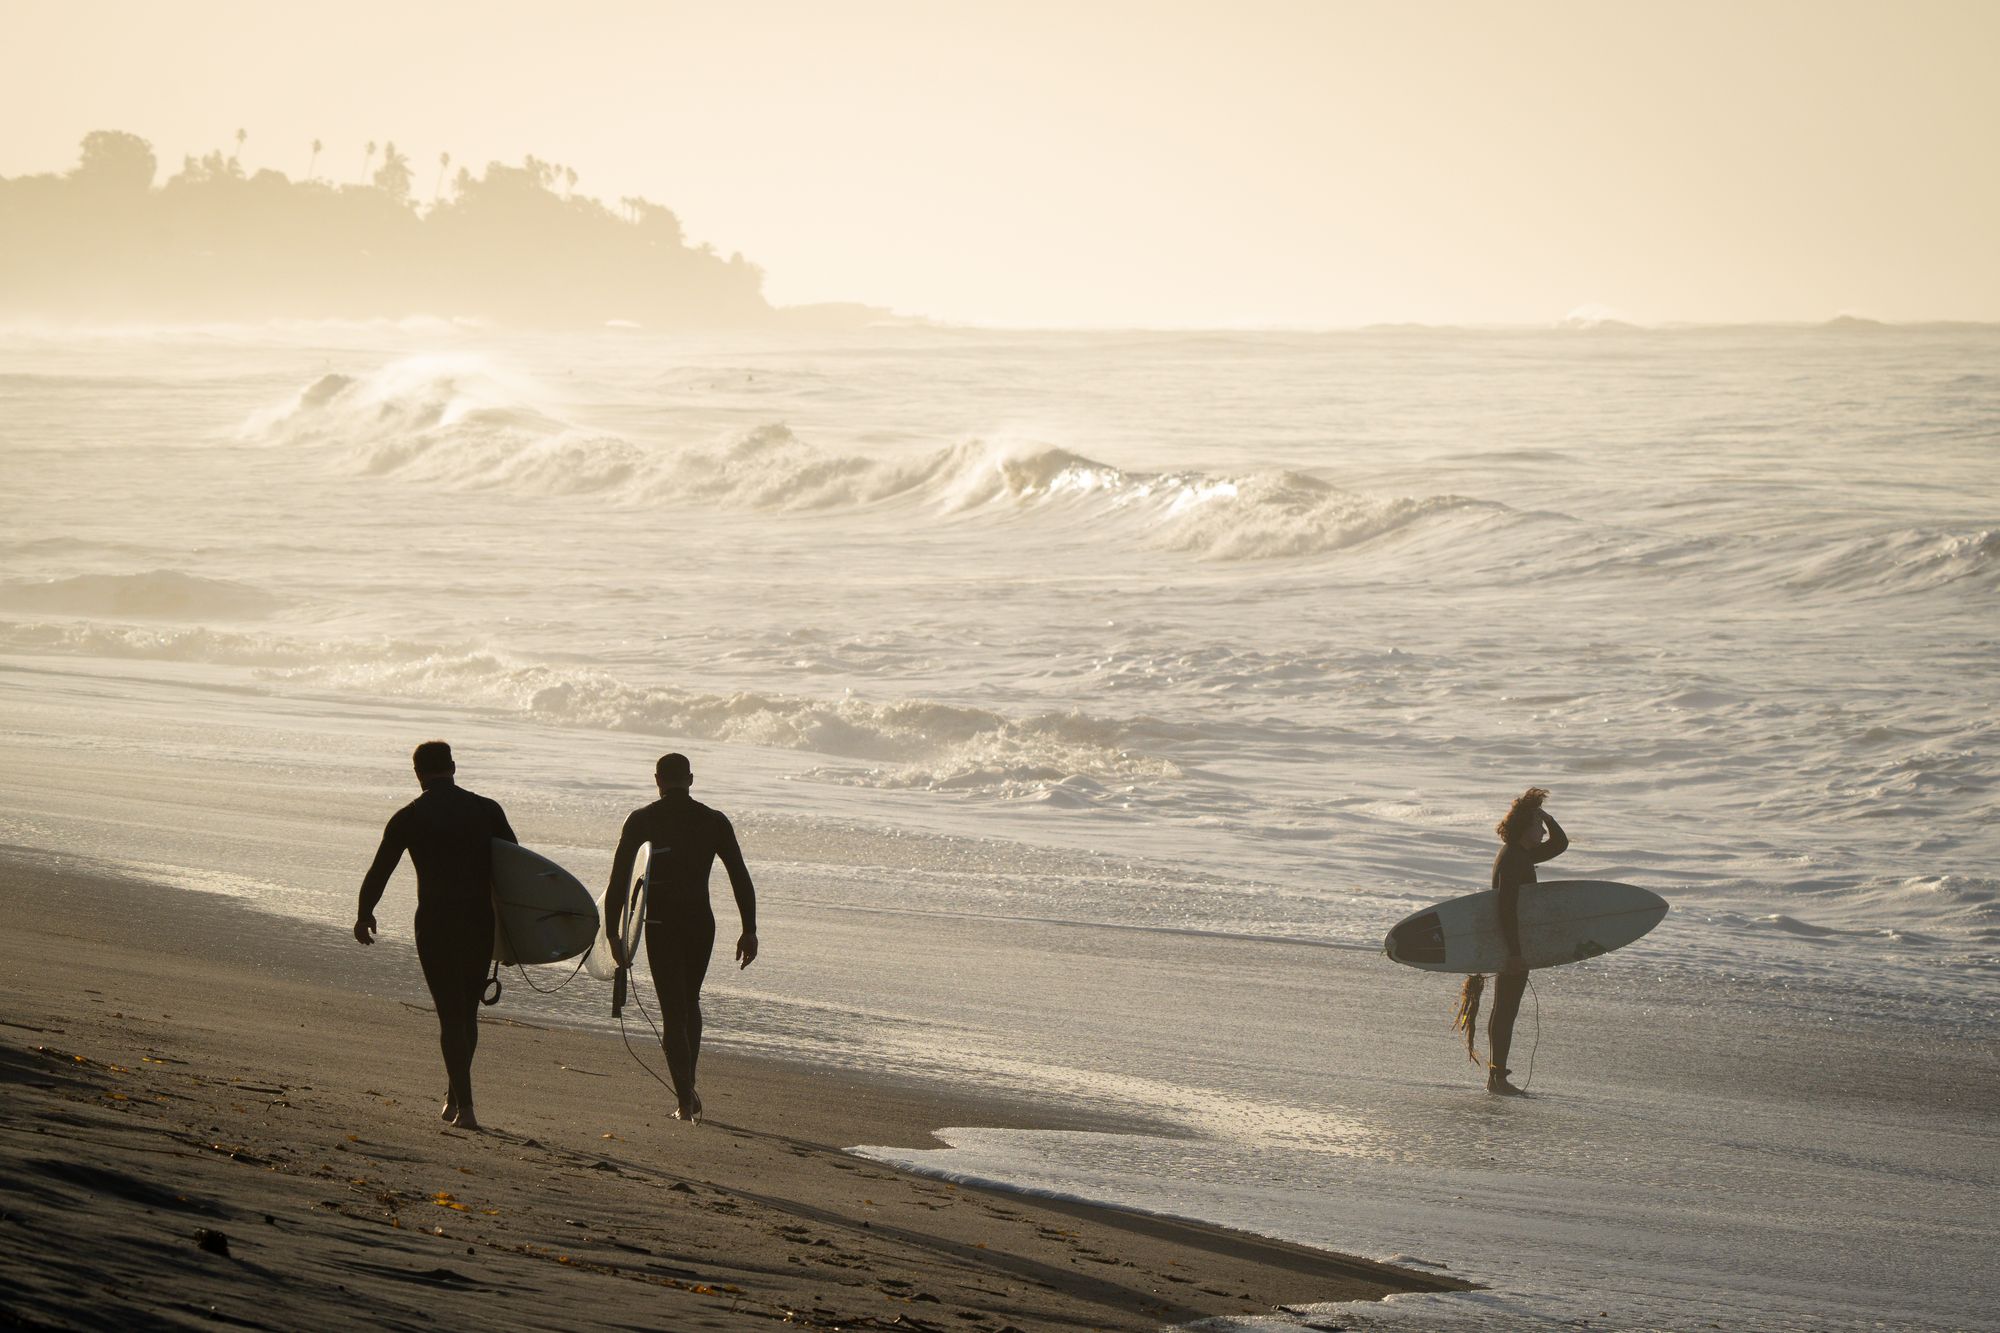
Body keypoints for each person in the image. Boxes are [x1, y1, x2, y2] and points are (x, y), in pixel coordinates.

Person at [353, 740, 516, 1129]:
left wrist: (364, 914)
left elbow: (380, 871)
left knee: (449, 1015)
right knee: (468, 1013)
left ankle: (466, 1105)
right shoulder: (487, 810)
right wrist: (517, 933)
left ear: (417, 773)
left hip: (435, 922)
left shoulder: (409, 816)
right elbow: (516, 871)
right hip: (478, 921)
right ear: (454, 767)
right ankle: (456, 1096)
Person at [603, 752, 758, 1124]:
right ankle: (687, 1089)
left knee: (673, 1010)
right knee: (689, 1003)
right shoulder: (713, 821)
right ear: (690, 779)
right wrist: (749, 929)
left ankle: (685, 1102)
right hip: (700, 923)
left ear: (657, 779)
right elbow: (740, 876)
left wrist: (612, 933)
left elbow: (619, 880)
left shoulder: (642, 820)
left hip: (660, 923)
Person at [1452, 786, 1568, 1095]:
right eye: (1538, 826)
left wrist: (1547, 816)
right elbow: (1506, 909)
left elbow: (1561, 844)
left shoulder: (1520, 855)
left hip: (1511, 942)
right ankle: (1497, 1079)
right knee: (1505, 1010)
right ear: (1524, 828)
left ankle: (1497, 1077)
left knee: (1505, 1009)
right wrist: (1514, 952)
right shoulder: (1515, 860)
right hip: (1510, 943)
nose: (1543, 832)